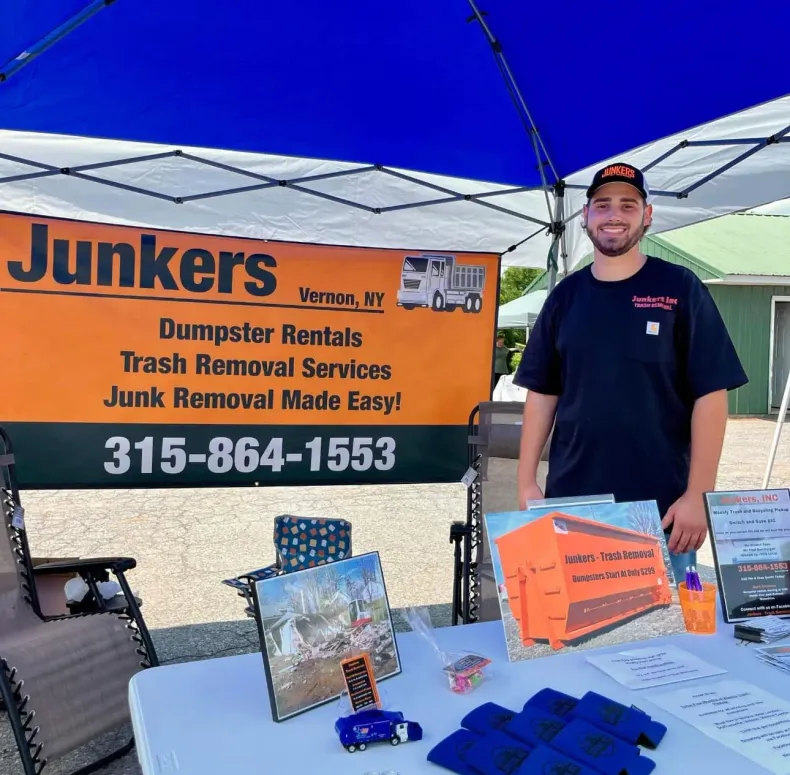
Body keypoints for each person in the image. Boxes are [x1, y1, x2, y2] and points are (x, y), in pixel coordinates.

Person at [512, 162, 748, 584]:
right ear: (585, 217)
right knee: (573, 641)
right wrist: (526, 481)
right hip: (573, 509)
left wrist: (699, 494)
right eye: (602, 205)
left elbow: (710, 395)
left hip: (660, 511)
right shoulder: (566, 297)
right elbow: (542, 392)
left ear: (648, 214)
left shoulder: (679, 288)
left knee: (665, 646)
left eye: (628, 204)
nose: (614, 215)